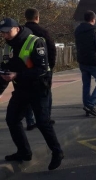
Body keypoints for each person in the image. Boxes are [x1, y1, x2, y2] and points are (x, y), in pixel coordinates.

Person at [0, 17, 64, 170]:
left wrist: (17, 75)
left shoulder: (35, 41)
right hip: (21, 88)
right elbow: (5, 69)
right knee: (12, 119)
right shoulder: (8, 47)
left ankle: (57, 152)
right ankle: (24, 152)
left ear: (16, 28)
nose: (5, 35)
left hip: (38, 88)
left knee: (42, 122)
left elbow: (41, 69)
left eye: (7, 32)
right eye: (2, 33)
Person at [24, 8, 56, 127]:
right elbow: (52, 49)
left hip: (25, 68)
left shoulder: (21, 32)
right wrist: (50, 66)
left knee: (26, 94)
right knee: (45, 94)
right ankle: (45, 119)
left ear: (25, 17)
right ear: (37, 17)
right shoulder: (43, 32)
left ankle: (30, 121)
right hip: (42, 68)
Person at [74, 10, 96, 117]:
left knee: (86, 84)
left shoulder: (78, 30)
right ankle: (91, 104)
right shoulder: (94, 30)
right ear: (93, 19)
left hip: (82, 60)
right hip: (94, 61)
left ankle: (87, 105)